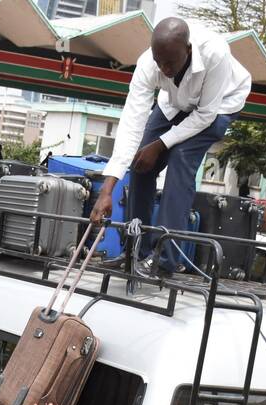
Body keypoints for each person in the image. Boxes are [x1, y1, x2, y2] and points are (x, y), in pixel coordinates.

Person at [91, 17, 251, 276]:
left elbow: (205, 115)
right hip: (175, 103)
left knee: (180, 158)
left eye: (170, 63)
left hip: (219, 105)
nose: (164, 68)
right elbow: (132, 122)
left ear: (188, 50)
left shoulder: (215, 52)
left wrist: (161, 144)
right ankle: (135, 250)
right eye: (159, 61)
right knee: (142, 162)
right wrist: (108, 187)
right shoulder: (148, 64)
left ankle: (164, 258)